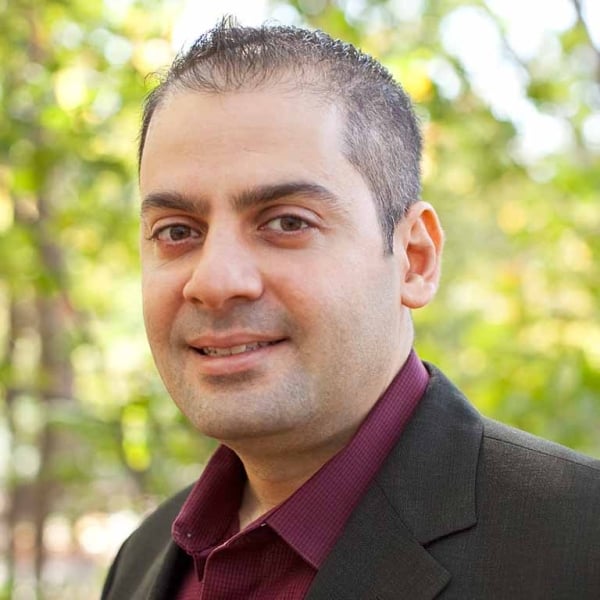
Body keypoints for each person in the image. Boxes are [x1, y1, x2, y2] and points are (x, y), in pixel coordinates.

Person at [101, 19, 600, 600]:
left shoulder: (579, 544)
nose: (214, 282)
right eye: (177, 230)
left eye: (287, 222)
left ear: (414, 259)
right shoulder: (144, 557)